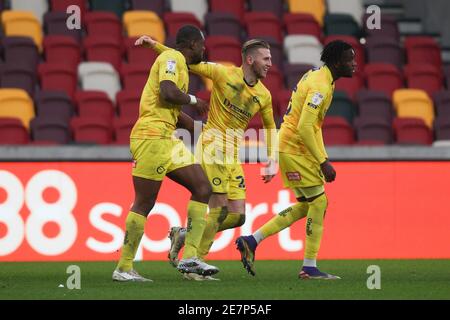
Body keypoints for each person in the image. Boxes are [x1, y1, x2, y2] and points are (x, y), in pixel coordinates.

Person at [137, 36, 278, 280]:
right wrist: (155, 46)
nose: (270, 64)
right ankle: (193, 262)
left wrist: (272, 159)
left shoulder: (264, 95)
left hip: (233, 154)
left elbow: (269, 127)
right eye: (266, 58)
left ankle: (183, 235)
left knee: (237, 215)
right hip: (212, 146)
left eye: (271, 59)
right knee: (219, 210)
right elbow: (185, 60)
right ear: (250, 59)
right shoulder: (223, 73)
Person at [235, 40, 356, 279]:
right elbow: (305, 126)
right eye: (350, 59)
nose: (355, 64)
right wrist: (322, 162)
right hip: (294, 148)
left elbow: (314, 126)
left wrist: (322, 157)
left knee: (305, 205)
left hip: (291, 147)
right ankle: (309, 267)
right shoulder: (321, 86)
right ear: (337, 62)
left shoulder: (319, 77)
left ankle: (252, 240)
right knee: (319, 203)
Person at [112, 25, 219, 282]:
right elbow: (168, 93)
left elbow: (169, 107)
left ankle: (190, 258)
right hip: (150, 137)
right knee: (144, 202)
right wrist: (195, 101)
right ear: (193, 44)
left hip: (167, 138)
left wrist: (196, 127)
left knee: (203, 187)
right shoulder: (171, 59)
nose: (204, 49)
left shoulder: (176, 61)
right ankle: (124, 268)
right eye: (201, 45)